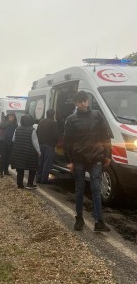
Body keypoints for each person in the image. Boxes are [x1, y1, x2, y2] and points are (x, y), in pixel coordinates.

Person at [63, 90, 111, 232]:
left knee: (96, 189)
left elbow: (105, 136)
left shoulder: (97, 115)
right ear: (75, 103)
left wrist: (107, 155)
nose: (83, 103)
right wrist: (69, 160)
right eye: (79, 101)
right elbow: (67, 142)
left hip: (96, 157)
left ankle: (99, 221)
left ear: (88, 101)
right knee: (79, 189)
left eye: (84, 100)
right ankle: (79, 219)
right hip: (78, 158)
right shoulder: (71, 119)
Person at [10, 114, 41, 190]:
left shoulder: (17, 129)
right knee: (32, 168)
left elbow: (13, 139)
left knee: (20, 169)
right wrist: (38, 151)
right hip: (29, 153)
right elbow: (35, 142)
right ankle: (30, 184)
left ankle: (20, 185)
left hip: (18, 151)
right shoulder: (32, 130)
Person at [36, 109, 59, 184]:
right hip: (49, 145)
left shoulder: (41, 121)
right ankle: (44, 179)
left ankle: (38, 178)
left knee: (40, 162)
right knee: (47, 163)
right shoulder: (53, 123)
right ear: (53, 114)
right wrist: (55, 144)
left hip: (40, 144)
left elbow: (37, 132)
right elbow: (55, 135)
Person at [0, 113, 18, 177]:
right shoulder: (4, 121)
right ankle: (0, 172)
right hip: (3, 141)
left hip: (10, 142)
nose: (11, 117)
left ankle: (6, 171)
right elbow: (1, 127)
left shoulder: (15, 124)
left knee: (8, 157)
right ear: (8, 116)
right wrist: (9, 121)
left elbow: (16, 131)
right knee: (3, 156)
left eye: (12, 116)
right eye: (10, 116)